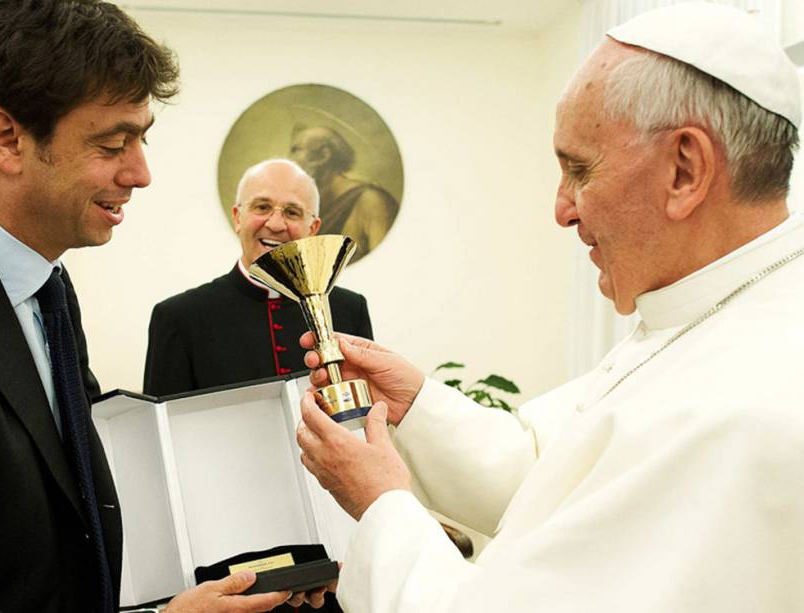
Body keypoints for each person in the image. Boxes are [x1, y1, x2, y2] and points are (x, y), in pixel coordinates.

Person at [295, 3, 804, 611]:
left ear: (685, 169)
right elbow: (551, 471)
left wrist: (381, 507)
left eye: (580, 170)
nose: (562, 209)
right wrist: (413, 407)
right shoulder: (700, 316)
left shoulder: (742, 403)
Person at [0, 2, 321, 611]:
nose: (140, 173)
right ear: (7, 139)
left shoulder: (47, 284)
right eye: (114, 143)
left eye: (141, 139)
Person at [144, 158, 373, 396]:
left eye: (292, 212)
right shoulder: (179, 318)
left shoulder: (349, 309)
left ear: (312, 229)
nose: (275, 224)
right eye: (262, 207)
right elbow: (162, 428)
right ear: (237, 218)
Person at [289, 126, 398, 262]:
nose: (290, 160)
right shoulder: (310, 205)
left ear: (324, 155)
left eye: (296, 150)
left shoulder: (372, 201)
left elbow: (388, 263)